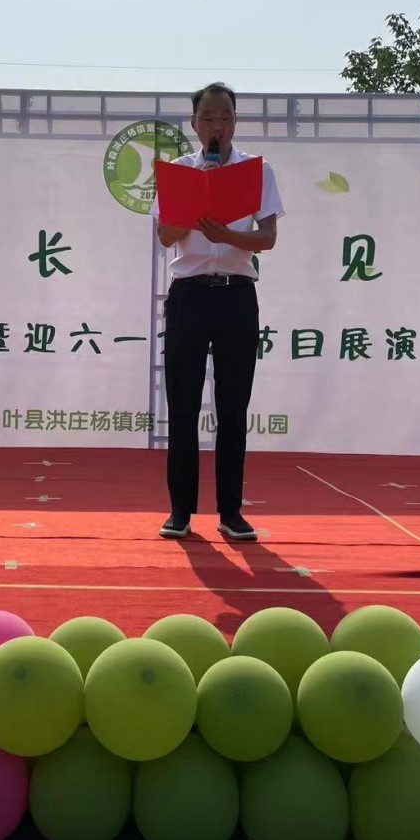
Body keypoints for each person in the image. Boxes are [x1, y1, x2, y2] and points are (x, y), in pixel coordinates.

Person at [150, 82, 284, 541]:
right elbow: (166, 236)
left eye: (225, 117)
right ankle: (180, 511)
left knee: (232, 407)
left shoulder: (257, 170)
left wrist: (227, 235)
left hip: (236, 296)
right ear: (194, 124)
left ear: (235, 122)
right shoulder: (177, 173)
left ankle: (231, 511)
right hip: (188, 295)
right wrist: (196, 204)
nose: (217, 126)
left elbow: (267, 238)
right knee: (183, 405)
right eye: (208, 118)